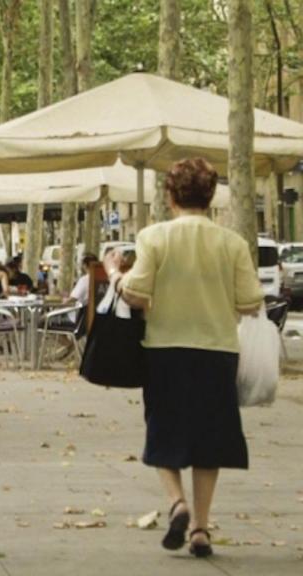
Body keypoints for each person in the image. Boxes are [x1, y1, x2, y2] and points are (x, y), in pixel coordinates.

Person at [109, 157, 264, 559]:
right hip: (217, 352)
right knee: (209, 441)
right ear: (211, 197)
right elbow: (250, 302)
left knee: (164, 432)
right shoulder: (232, 243)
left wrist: (115, 277)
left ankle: (177, 502)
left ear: (170, 195)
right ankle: (200, 528)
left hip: (166, 350)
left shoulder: (153, 237)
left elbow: (137, 292)